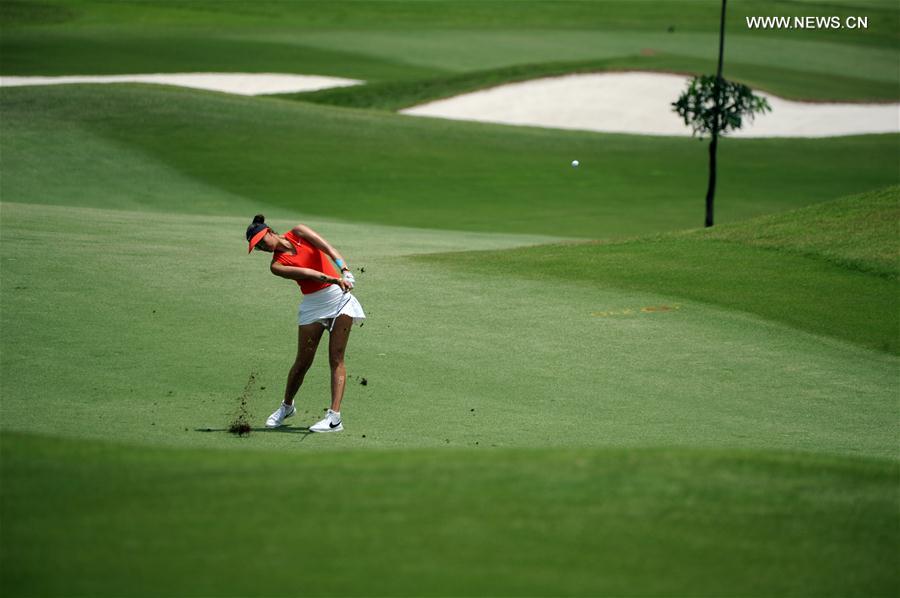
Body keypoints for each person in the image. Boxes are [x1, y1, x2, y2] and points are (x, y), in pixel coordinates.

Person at [246, 214, 365, 433]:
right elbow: (308, 274)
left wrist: (345, 270)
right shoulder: (277, 265)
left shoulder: (299, 232)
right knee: (303, 362)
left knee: (336, 357)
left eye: (262, 241)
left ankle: (334, 418)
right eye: (259, 247)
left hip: (340, 299)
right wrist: (335, 279)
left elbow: (328, 248)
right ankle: (287, 406)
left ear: (270, 231)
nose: (263, 247)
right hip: (314, 306)